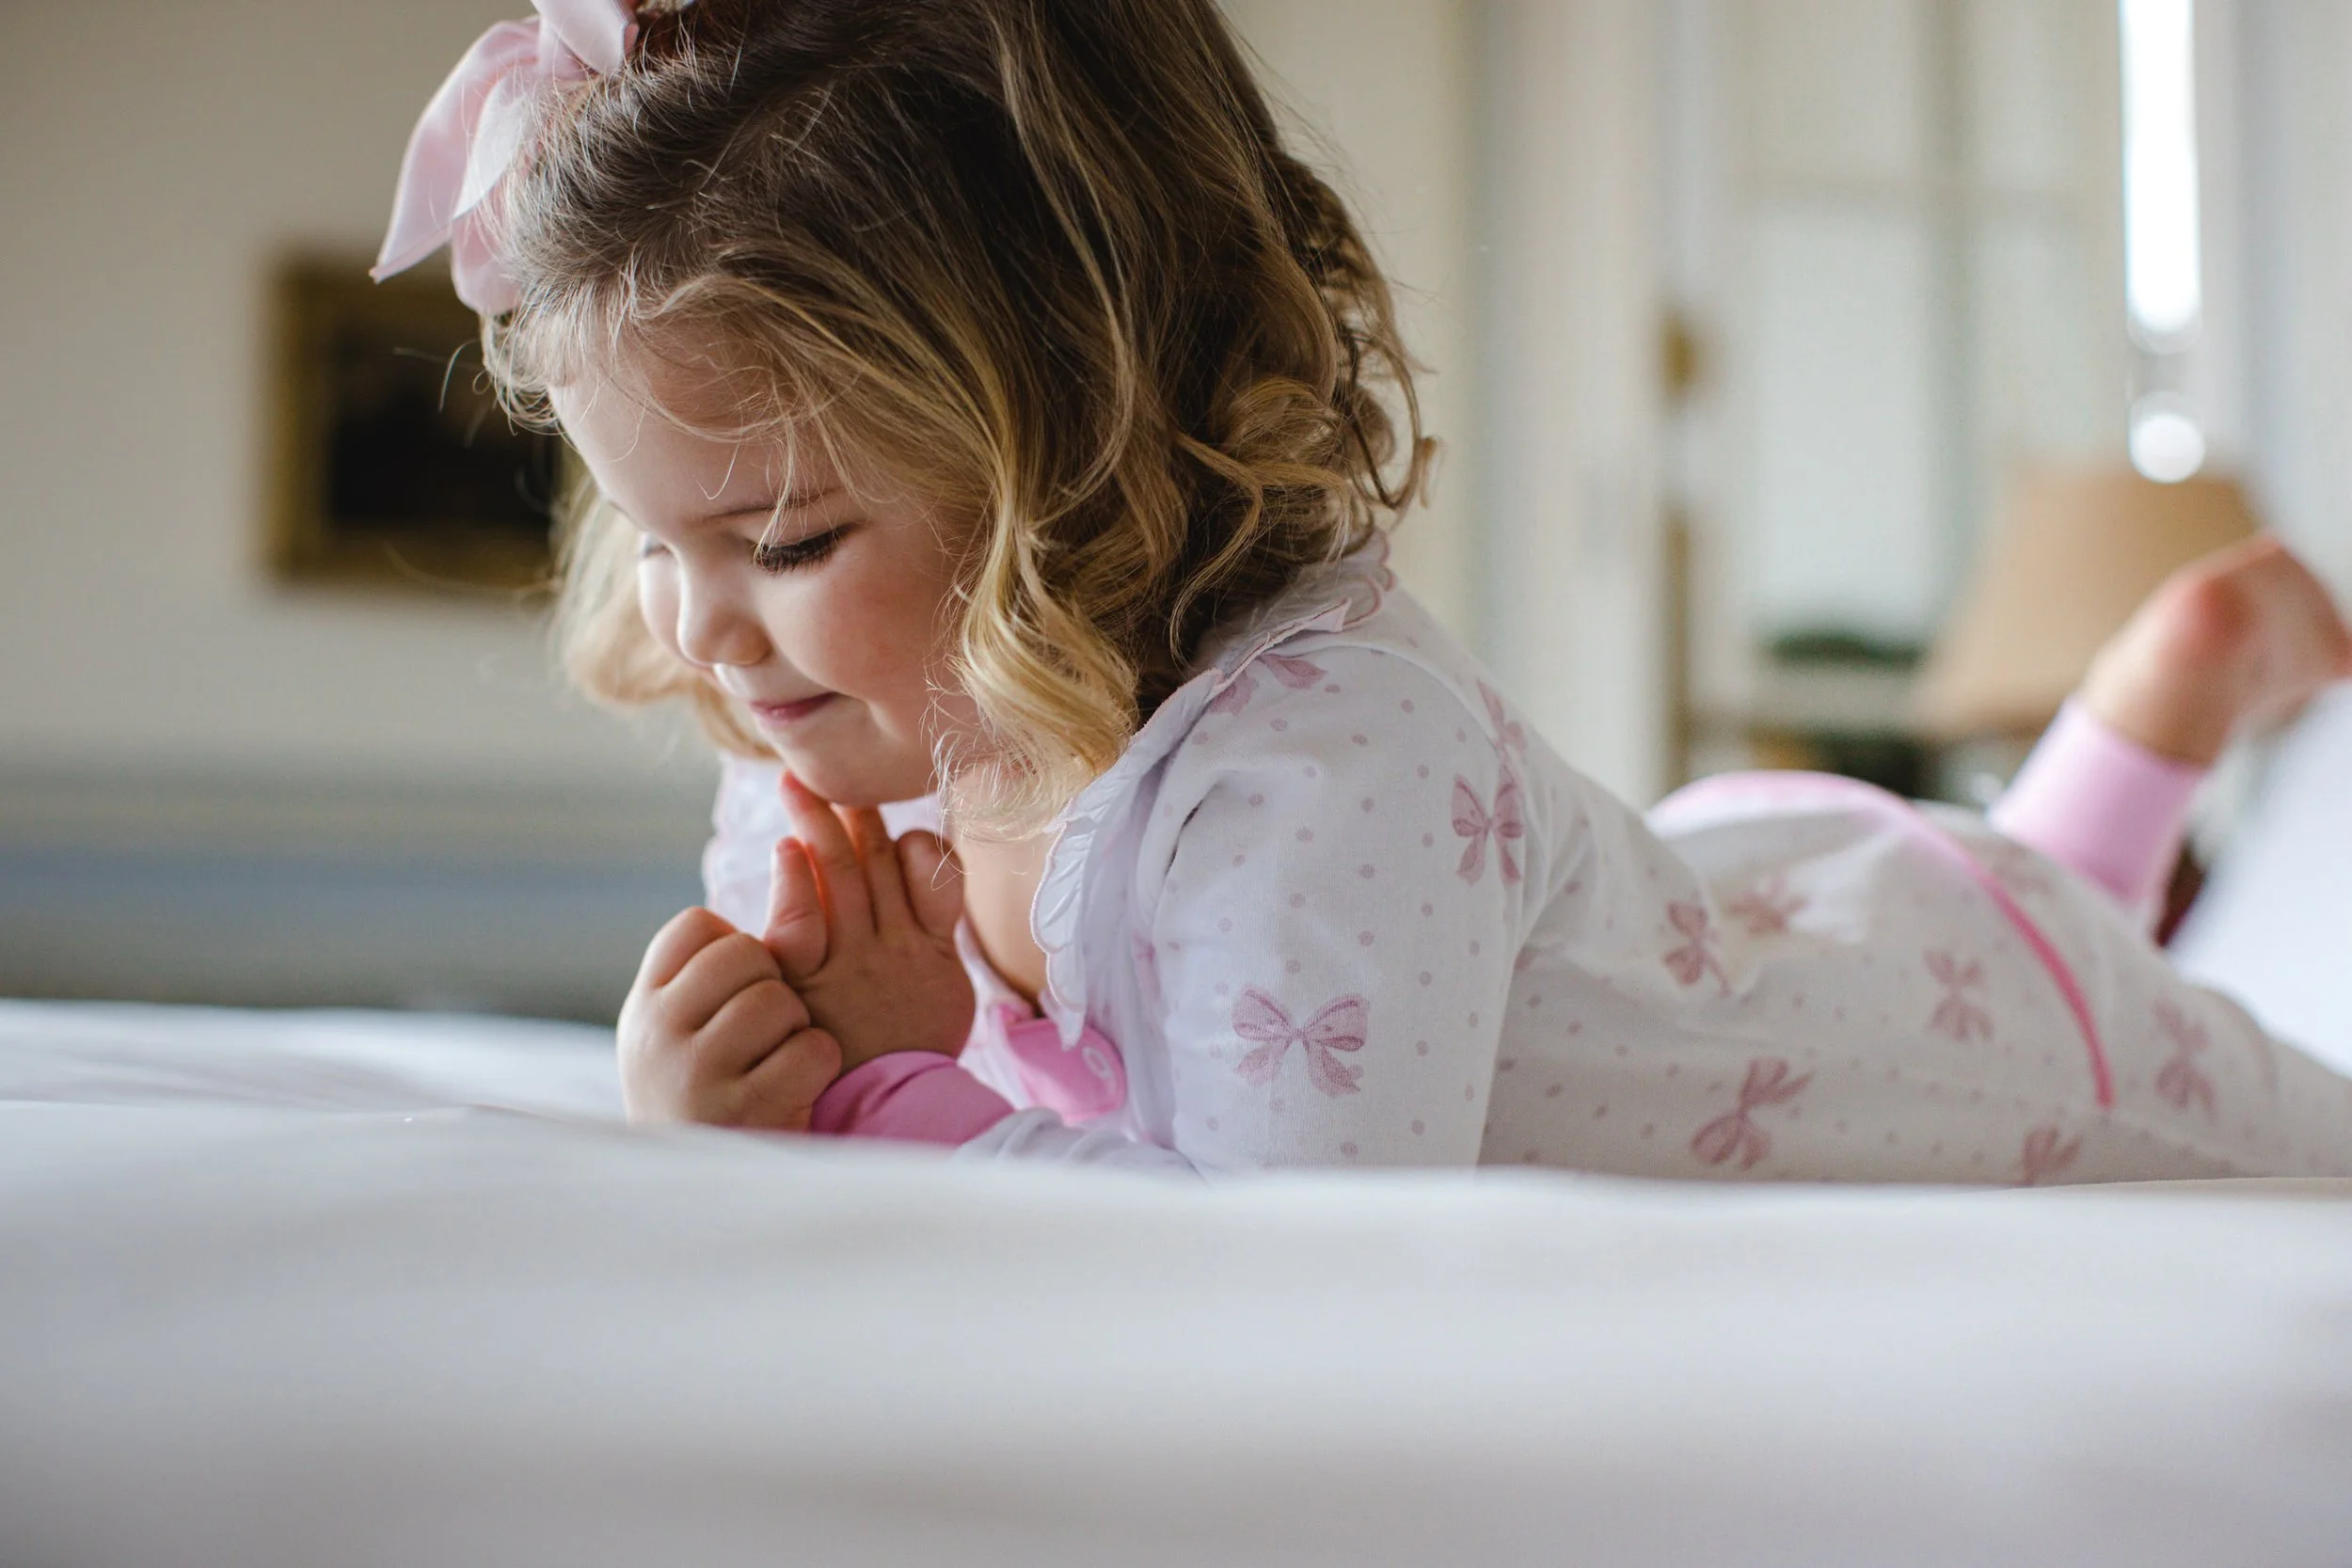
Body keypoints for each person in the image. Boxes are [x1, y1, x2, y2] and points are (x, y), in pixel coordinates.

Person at [375, 0, 2352, 1181]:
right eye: (660, 536)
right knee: (1969, 889)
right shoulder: (840, 730)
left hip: (1934, 1030)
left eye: (787, 542)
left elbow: (1288, 1284)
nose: (707, 630)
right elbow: (870, 1129)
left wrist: (886, 1088)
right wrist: (728, 1083)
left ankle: (2144, 721)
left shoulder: (1315, 767)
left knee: (2236, 1084)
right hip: (1688, 921)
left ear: (1083, 437)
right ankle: (2131, 734)